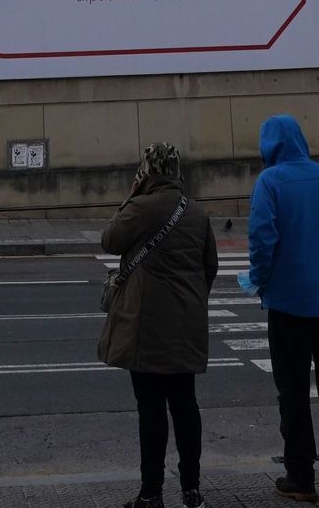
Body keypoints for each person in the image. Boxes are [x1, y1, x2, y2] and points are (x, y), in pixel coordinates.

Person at [98, 142, 218, 508]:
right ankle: (191, 489)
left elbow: (109, 239)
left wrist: (131, 194)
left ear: (147, 170)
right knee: (185, 405)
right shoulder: (196, 212)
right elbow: (209, 266)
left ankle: (151, 493)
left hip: (145, 328)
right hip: (186, 324)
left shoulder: (140, 207)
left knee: (150, 410)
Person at [246, 115, 319, 502]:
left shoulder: (270, 181)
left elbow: (262, 238)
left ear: (269, 145)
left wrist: (259, 278)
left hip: (290, 301)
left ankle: (301, 476)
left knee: (292, 389)